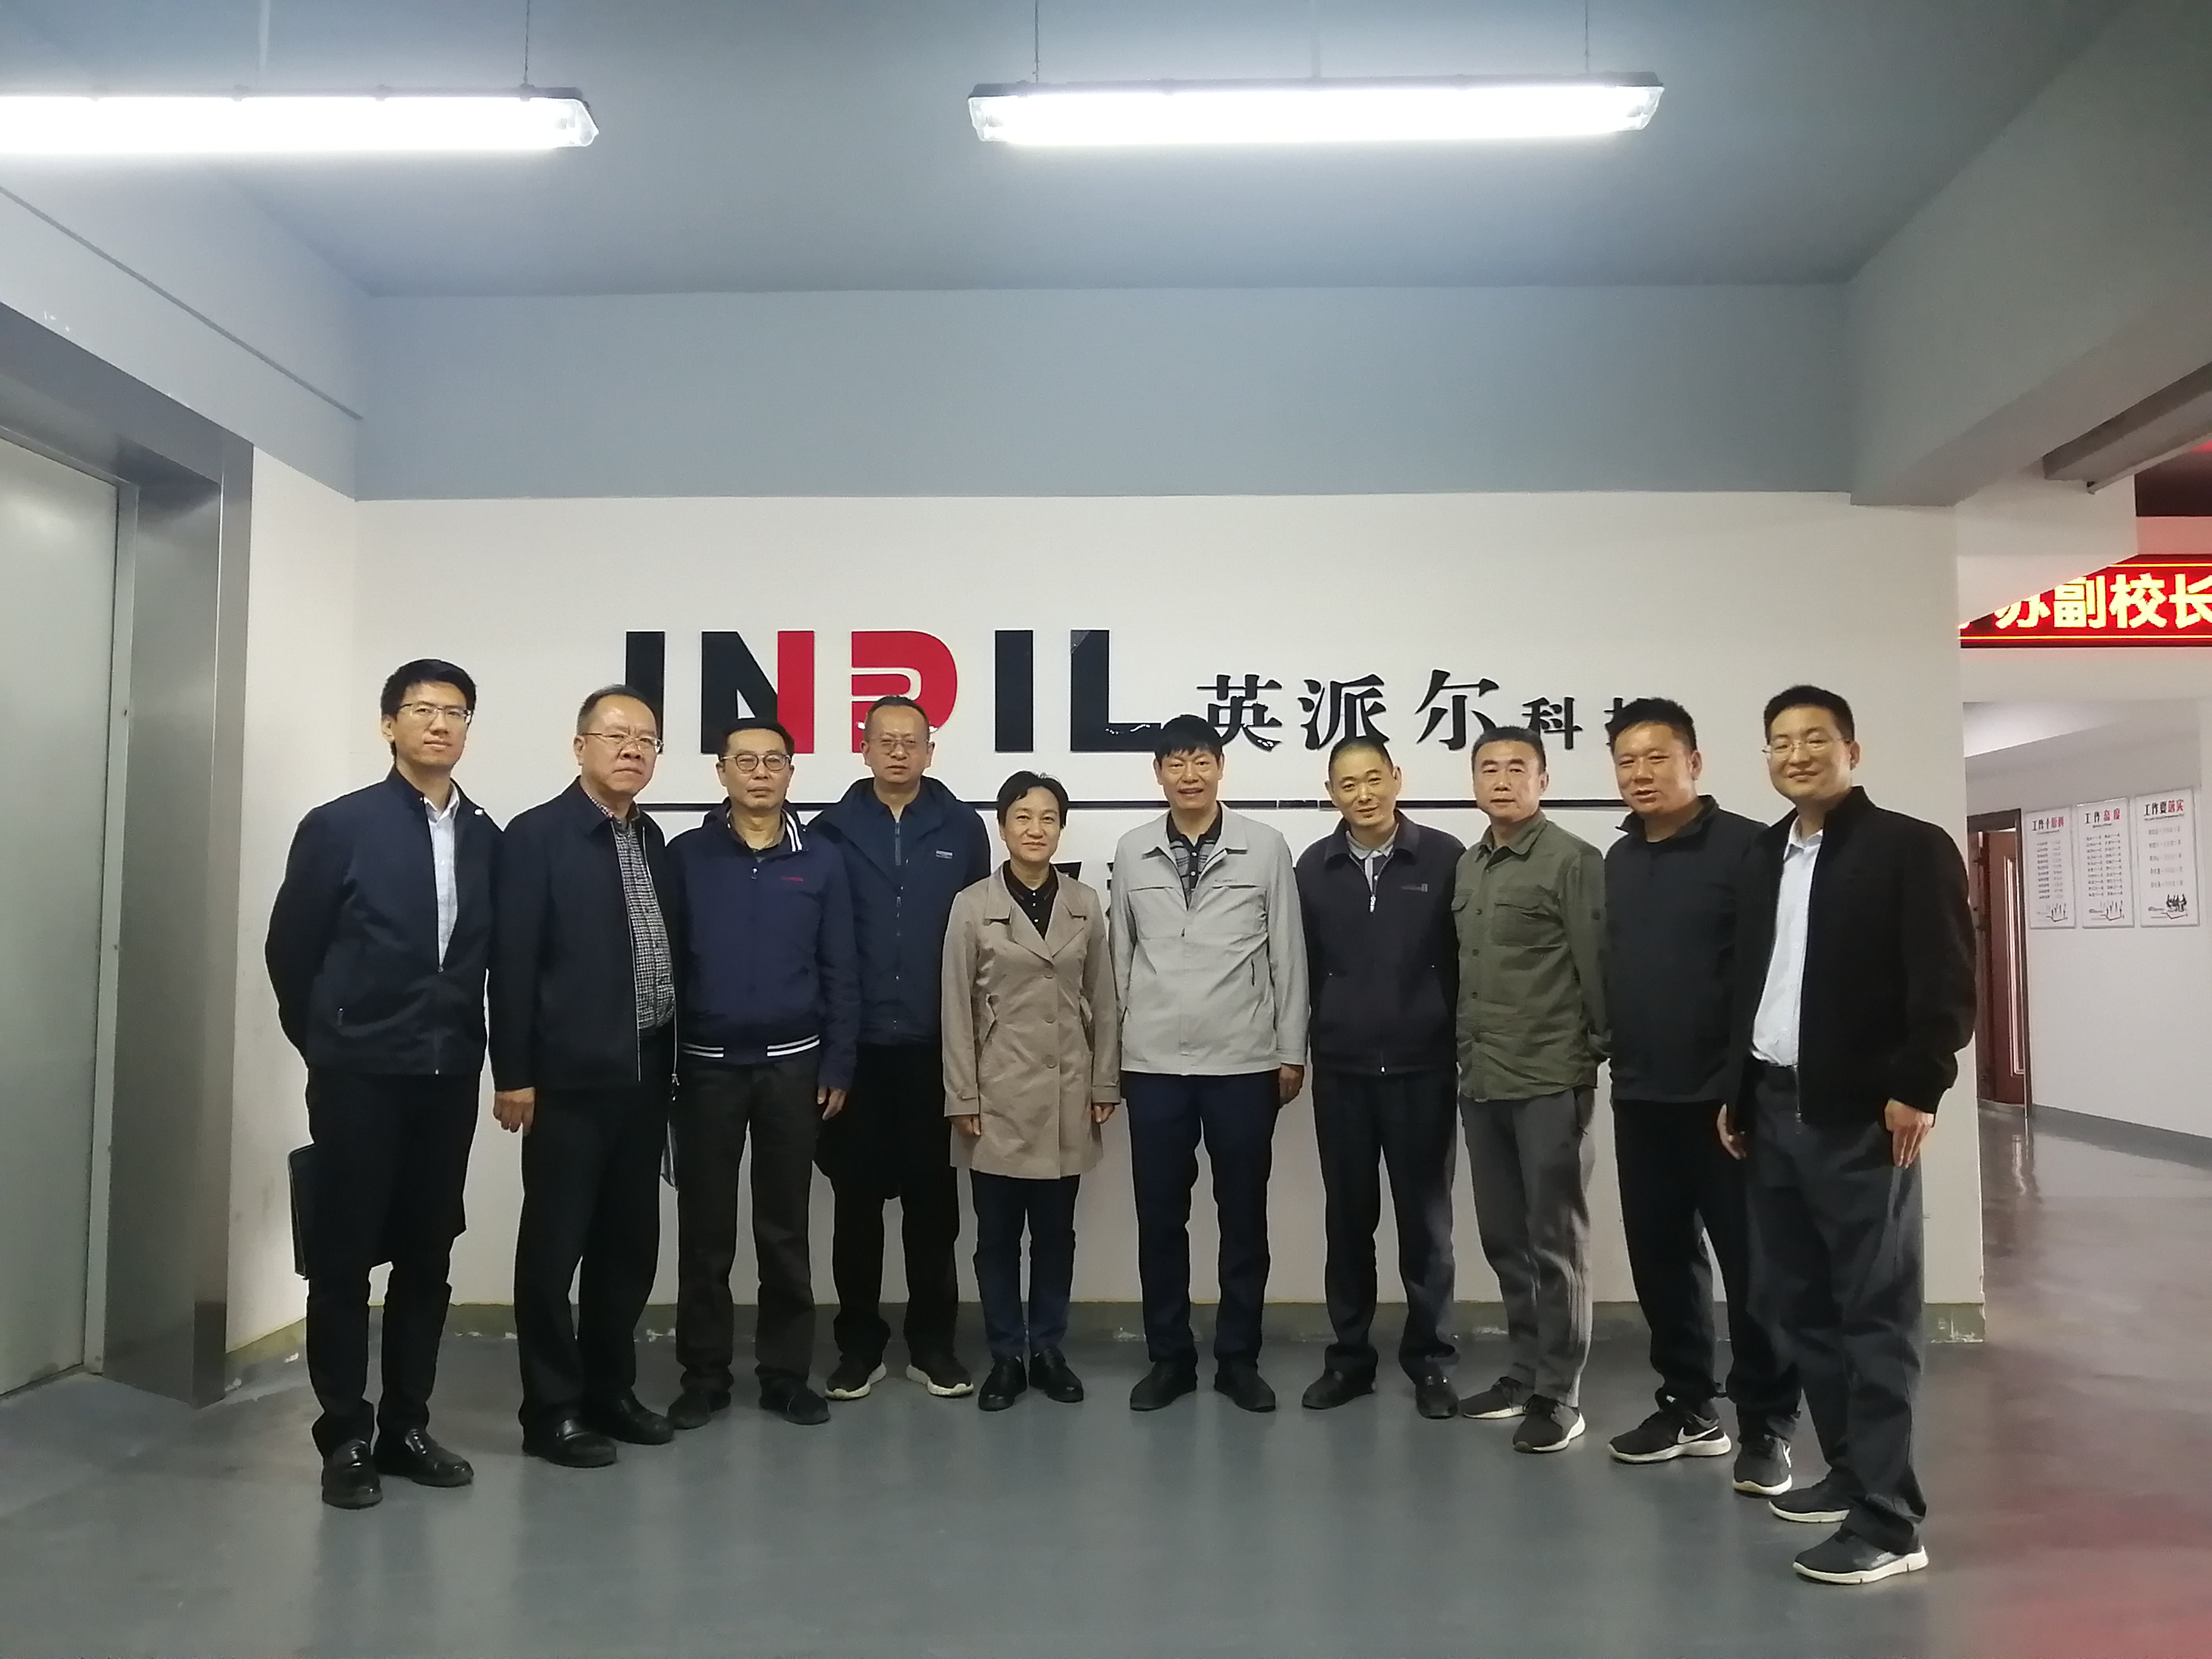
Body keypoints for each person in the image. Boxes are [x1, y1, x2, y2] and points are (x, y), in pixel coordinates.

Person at [1722, 686, 1972, 1586]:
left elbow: (1944, 980)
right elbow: (1752, 985)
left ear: (1851, 751)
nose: (1795, 755)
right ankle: (1846, 1473)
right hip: (1771, 1107)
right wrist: (1735, 1090)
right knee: (1804, 1308)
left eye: (1813, 739)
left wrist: (1917, 1087)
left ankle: (1890, 1521)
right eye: (1779, 742)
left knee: (1873, 1316)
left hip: (1862, 1117)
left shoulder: (1907, 847)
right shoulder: (1763, 855)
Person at [266, 659, 499, 1511]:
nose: (440, 724)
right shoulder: (341, 826)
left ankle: (406, 1426)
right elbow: (291, 950)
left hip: (447, 1074)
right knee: (343, 1259)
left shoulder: (486, 835)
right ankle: (345, 1435)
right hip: (358, 1075)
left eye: (455, 712)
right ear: (389, 724)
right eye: (422, 709)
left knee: (428, 1257)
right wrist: (329, 1042)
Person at [1600, 698, 1798, 1494]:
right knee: (1662, 1262)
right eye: (1627, 761)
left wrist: (1740, 1088)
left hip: (1726, 1104)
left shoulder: (1749, 849)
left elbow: (1770, 974)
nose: (1640, 773)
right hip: (1641, 1093)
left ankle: (1767, 1423)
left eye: (1657, 757)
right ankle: (1687, 1407)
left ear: (1694, 762)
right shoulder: (1618, 859)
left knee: (1754, 1269)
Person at [491, 686, 683, 1469]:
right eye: (616, 735)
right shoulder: (536, 836)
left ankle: (611, 1390)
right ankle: (551, 1410)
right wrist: (514, 1073)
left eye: (646, 739)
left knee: (628, 1247)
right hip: (568, 1080)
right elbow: (510, 963)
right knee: (554, 1249)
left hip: (646, 1072)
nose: (632, 749)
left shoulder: (652, 837)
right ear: (580, 747)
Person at [665, 717, 859, 1429]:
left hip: (793, 1070)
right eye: (744, 761)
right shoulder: (686, 857)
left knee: (784, 1229)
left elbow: (841, 968)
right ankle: (705, 1376)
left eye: (773, 761)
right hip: (705, 1072)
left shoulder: (823, 859)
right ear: (721, 772)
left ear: (790, 773)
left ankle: (784, 1373)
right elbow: (666, 965)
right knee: (705, 1232)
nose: (759, 773)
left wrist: (839, 1061)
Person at [1111, 713, 1308, 1414]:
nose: (1189, 775)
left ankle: (1238, 1359)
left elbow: (1288, 953)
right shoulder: (1133, 851)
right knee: (1160, 1218)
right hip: (1155, 1064)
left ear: (1221, 767)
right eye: (1176, 763)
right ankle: (1169, 1358)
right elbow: (1120, 958)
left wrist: (1290, 1051)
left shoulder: (1265, 847)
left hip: (1243, 1062)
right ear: (1158, 773)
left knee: (1243, 1217)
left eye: (1201, 761)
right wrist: (1116, 1058)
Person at [811, 696, 991, 1402]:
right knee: (855, 1208)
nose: (897, 752)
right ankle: (858, 1346)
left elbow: (982, 940)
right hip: (854, 1051)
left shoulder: (963, 828)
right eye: (884, 740)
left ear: (929, 750)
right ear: (864, 748)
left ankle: (933, 1344)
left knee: (933, 1207)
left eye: (910, 741)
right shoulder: (830, 830)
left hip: (933, 1049)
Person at [1293, 736, 1463, 1420]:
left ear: (1397, 777)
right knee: (1348, 1222)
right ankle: (1350, 1360)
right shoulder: (1314, 867)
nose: (1363, 794)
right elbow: (1303, 968)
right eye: (1347, 784)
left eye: (1373, 778)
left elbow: (1463, 962)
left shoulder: (1446, 858)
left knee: (1427, 1226)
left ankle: (1432, 1360)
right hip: (1343, 1071)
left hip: (1424, 1069)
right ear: (1331, 793)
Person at [941, 772, 1120, 1412]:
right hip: (996, 1096)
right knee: (995, 1238)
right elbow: (955, 1007)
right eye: (1022, 817)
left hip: (1067, 1092)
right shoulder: (972, 905)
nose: (1035, 829)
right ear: (1002, 826)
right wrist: (962, 1096)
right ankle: (1004, 1356)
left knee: (1055, 1235)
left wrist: (1104, 1080)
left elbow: (1103, 998)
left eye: (1048, 818)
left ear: (1061, 829)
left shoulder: (1085, 903)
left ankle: (1046, 1350)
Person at [1451, 725, 1607, 1453]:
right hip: (1483, 1080)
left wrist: (1587, 1063)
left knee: (1556, 1243)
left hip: (1549, 1080)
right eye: (1490, 768)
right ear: (1474, 783)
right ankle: (1523, 1372)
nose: (1503, 779)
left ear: (1544, 781)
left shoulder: (1573, 861)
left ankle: (1560, 1393)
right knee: (1504, 1237)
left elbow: (1597, 970)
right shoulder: (1470, 866)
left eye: (1519, 768)